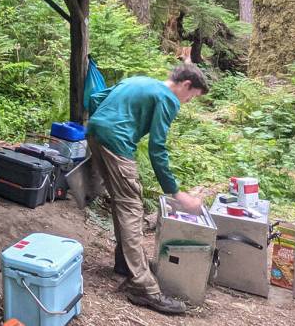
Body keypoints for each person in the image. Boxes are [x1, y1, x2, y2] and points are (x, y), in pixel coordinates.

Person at [86, 63, 209, 315]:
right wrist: (176, 192)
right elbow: (157, 149)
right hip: (117, 145)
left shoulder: (139, 81)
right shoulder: (168, 98)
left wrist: (105, 127)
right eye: (192, 96)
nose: (188, 101)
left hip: (95, 134)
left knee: (122, 203)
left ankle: (126, 263)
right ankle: (143, 288)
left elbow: (96, 97)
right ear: (186, 85)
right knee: (131, 207)